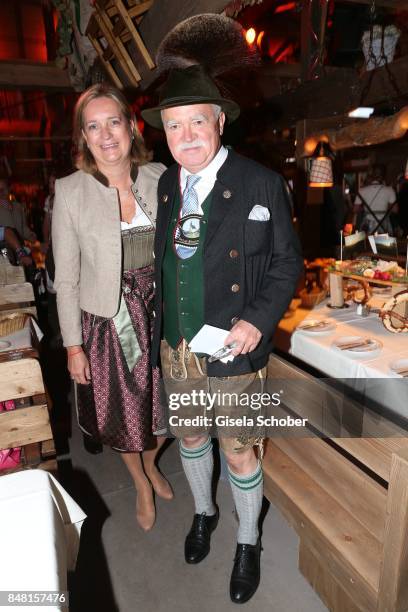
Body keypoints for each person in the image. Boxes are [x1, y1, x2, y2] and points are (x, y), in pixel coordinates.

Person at [142, 65, 303, 603]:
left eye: (196, 122)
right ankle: (205, 513)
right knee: (189, 436)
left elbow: (286, 263)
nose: (185, 136)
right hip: (179, 345)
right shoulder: (168, 183)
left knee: (238, 451)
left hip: (236, 346)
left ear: (218, 122)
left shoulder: (260, 182)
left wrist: (258, 318)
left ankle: (248, 539)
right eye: (173, 126)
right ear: (163, 133)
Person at [52, 83, 172, 531]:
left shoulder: (162, 176)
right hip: (108, 320)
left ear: (131, 126)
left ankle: (152, 460)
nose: (105, 135)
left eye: (113, 122)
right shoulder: (70, 191)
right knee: (122, 416)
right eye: (93, 126)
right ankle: (140, 480)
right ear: (84, 137)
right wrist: (72, 347)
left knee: (168, 411)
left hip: (161, 313)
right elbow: (66, 277)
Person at [354, 167, 397, 235]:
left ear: (370, 177)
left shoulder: (362, 190)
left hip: (367, 225)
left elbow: (355, 210)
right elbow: (395, 210)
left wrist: (365, 208)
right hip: (384, 224)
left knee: (367, 244)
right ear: (382, 177)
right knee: (384, 244)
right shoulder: (390, 190)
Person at [0, 178, 37, 242]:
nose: (1, 191)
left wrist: (30, 235)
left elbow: (23, 227)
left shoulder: (18, 206)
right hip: (4, 248)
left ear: (9, 188)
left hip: (20, 246)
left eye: (4, 188)